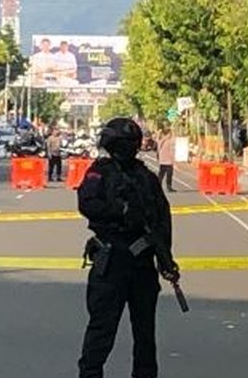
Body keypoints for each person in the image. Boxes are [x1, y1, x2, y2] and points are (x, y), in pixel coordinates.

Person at [76, 117, 180, 378]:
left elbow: (161, 222)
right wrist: (121, 211)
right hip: (111, 259)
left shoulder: (146, 178)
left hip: (141, 262)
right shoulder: (100, 172)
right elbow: (87, 204)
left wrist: (166, 260)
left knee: (143, 335)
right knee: (102, 331)